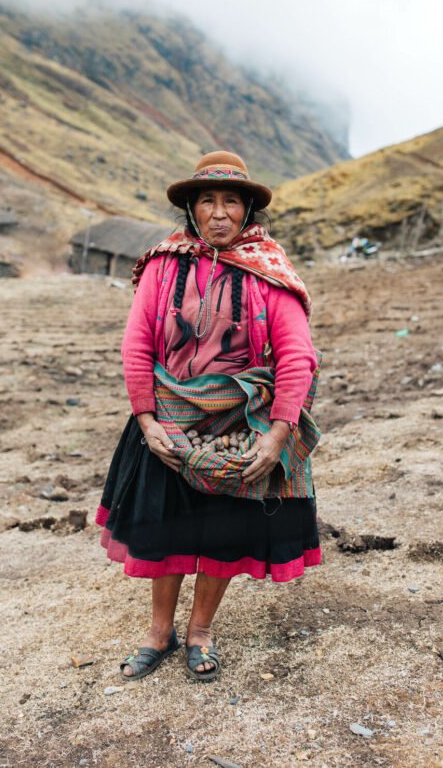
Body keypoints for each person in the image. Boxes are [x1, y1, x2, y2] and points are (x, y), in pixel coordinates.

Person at [95, 150, 322, 682]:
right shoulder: (162, 264)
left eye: (230, 202)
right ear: (191, 209)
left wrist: (278, 433)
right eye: (207, 201)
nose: (219, 213)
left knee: (221, 532)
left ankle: (200, 632)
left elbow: (298, 355)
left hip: (240, 426)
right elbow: (137, 343)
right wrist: (147, 420)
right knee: (164, 528)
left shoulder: (269, 270)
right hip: (167, 418)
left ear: (247, 212)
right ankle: (159, 633)